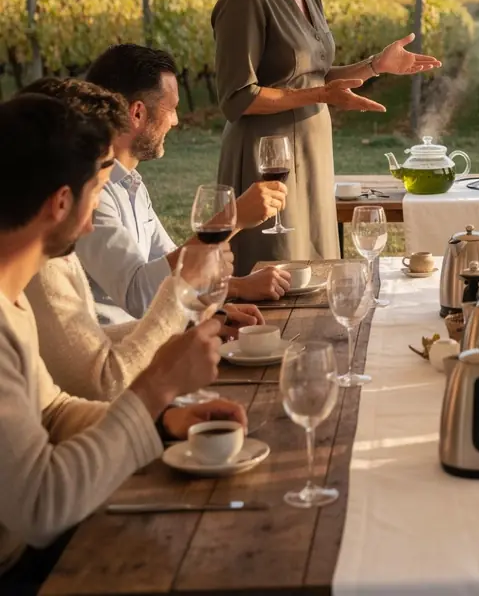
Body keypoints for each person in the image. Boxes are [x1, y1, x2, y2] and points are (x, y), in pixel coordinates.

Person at [0, 93, 246, 588]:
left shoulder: (11, 298)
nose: (93, 223)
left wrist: (163, 422)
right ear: (61, 202)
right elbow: (42, 507)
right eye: (96, 194)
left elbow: (51, 411)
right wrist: (154, 389)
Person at [213, 0, 441, 274]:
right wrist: (319, 96)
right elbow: (237, 97)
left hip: (312, 151)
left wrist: (376, 66)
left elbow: (312, 75)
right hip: (266, 158)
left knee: (316, 269)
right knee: (279, 275)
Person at [22, 77, 262, 401]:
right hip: (121, 386)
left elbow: (87, 353)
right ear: (62, 198)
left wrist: (208, 315)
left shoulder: (126, 191)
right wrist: (186, 287)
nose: (177, 120)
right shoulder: (43, 268)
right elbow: (107, 378)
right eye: (95, 188)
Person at [74, 45, 290, 319]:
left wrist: (236, 287)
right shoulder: (93, 195)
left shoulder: (130, 184)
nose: (175, 121)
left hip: (153, 336)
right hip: (122, 350)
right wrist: (232, 220)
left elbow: (171, 268)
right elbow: (138, 294)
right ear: (137, 113)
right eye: (172, 109)